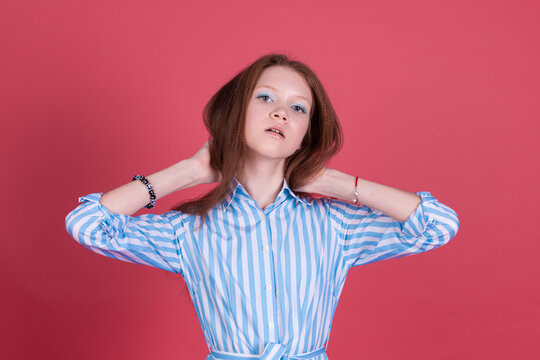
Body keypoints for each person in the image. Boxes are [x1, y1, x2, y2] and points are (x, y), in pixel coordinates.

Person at [65, 53, 460, 360]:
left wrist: (330, 181)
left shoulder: (334, 226)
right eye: (266, 97)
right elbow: (87, 224)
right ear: (238, 115)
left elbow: (437, 224)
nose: (280, 112)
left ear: (305, 135)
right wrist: (188, 171)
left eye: (298, 108)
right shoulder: (189, 230)